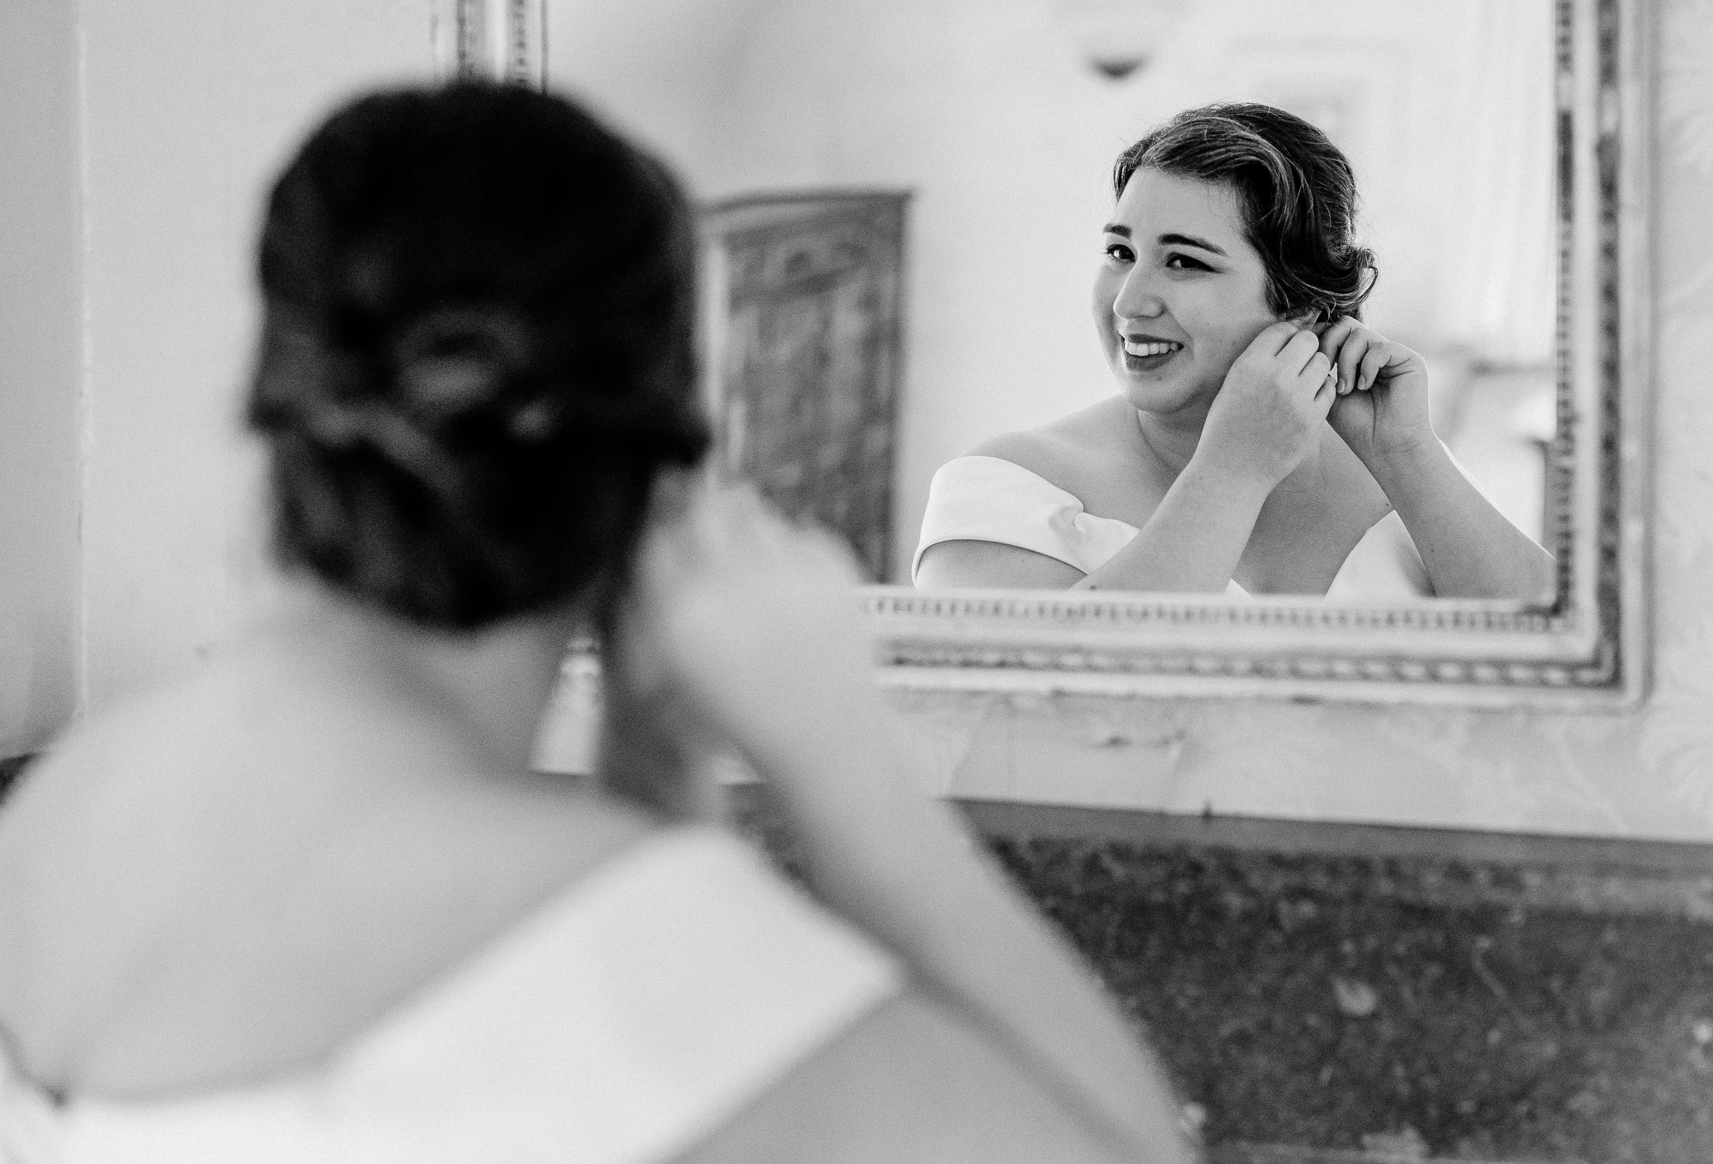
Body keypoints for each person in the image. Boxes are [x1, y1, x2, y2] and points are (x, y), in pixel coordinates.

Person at [0, 83, 1193, 1163]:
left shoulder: (64, 812)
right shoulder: (619, 947)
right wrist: (844, 758)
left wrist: (655, 767)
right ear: (662, 450)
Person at [914, 103, 1553, 601]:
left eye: (1184, 262)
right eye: (1121, 253)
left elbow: (1574, 685)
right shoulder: (1005, 488)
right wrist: (1230, 474)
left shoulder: (1404, 491)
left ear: (1299, 306)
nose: (1130, 301)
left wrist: (1412, 458)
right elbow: (1030, 721)